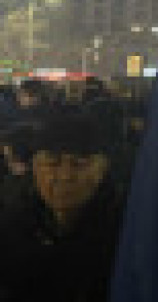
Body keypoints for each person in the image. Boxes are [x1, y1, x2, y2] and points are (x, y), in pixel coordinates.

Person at [0, 114, 122, 301]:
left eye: (80, 164)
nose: (65, 176)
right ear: (34, 168)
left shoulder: (125, 232)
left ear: (102, 170)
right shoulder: (12, 224)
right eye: (52, 163)